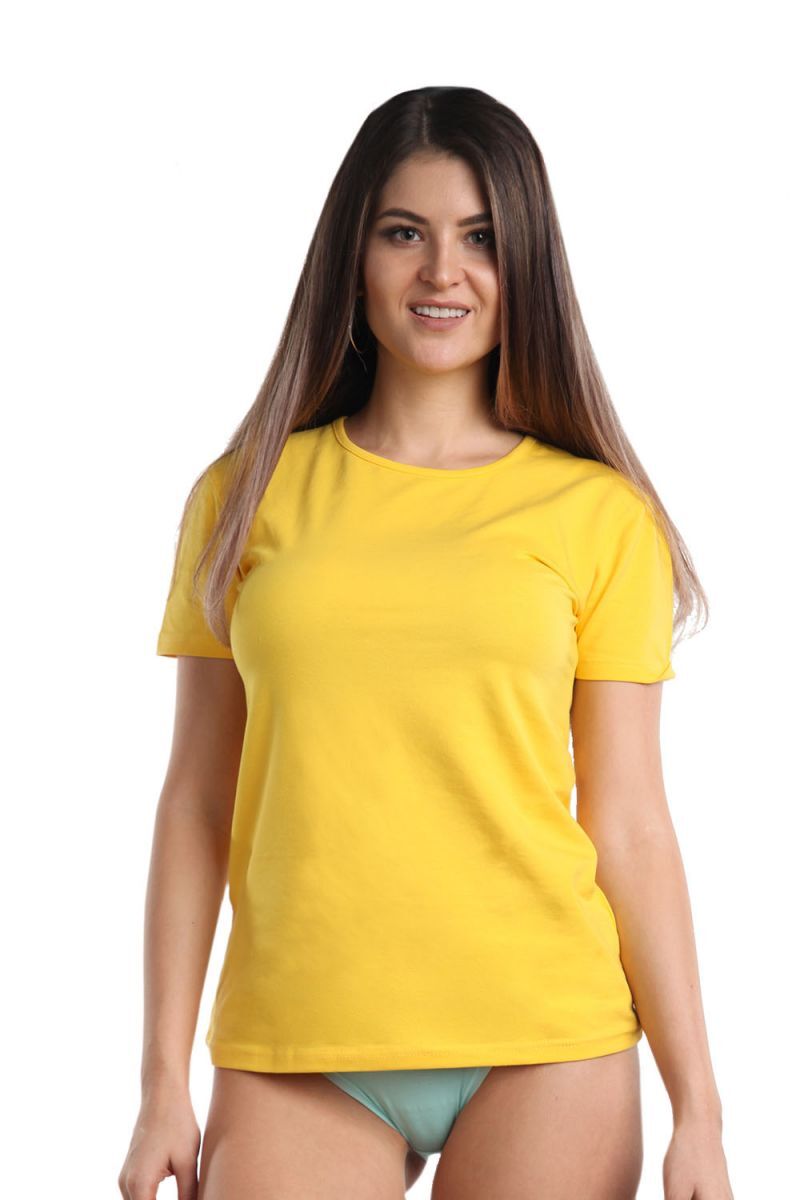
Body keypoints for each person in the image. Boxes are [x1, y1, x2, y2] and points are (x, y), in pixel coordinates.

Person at [118, 86, 734, 1200]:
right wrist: (162, 1081)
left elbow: (631, 821)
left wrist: (701, 1109)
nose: (442, 272)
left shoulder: (599, 516)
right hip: (300, 1041)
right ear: (353, 257)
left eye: (481, 238)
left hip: (547, 1033)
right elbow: (197, 802)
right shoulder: (242, 496)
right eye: (405, 232)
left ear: (525, 265)